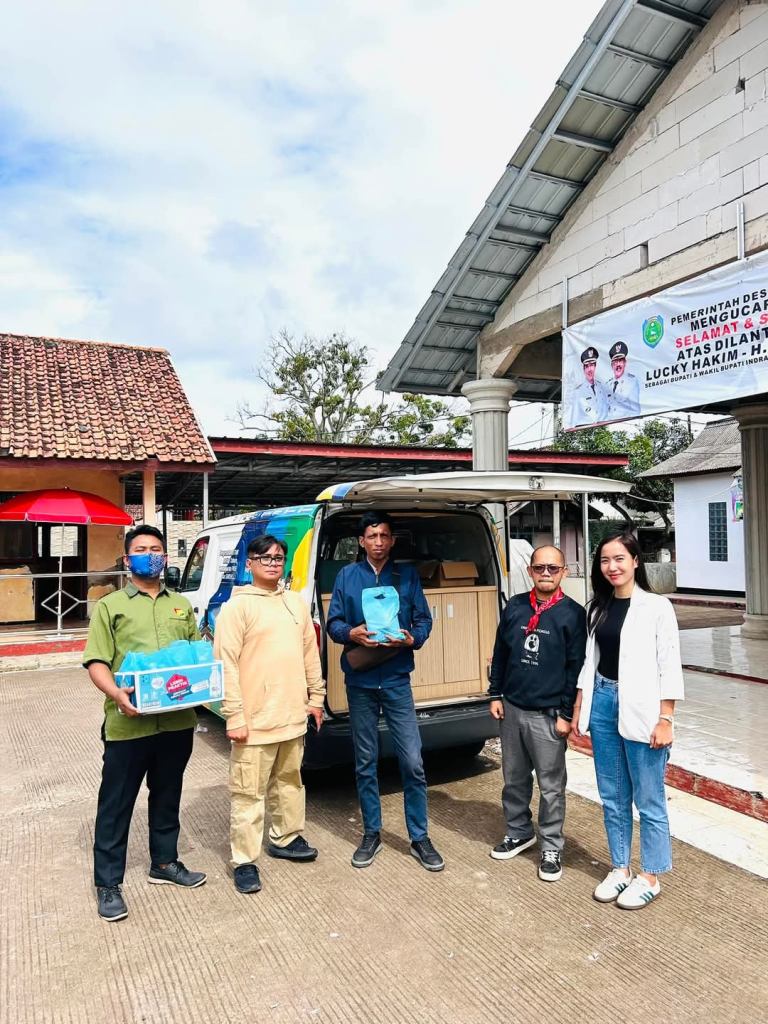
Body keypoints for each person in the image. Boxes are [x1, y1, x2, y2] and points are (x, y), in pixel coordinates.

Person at [84, 525, 207, 923]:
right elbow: (96, 661)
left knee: (168, 793)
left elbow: (195, 656)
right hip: (128, 724)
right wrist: (116, 694)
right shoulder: (111, 606)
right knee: (116, 803)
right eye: (141, 549)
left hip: (176, 722)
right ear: (128, 559)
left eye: (156, 549)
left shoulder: (181, 605)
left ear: (165, 557)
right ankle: (108, 883)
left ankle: (165, 862)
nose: (150, 555)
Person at [572, 531, 684, 910]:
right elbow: (589, 664)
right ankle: (620, 867)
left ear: (636, 561)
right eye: (605, 560)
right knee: (612, 794)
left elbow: (669, 665)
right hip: (603, 701)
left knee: (648, 798)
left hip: (643, 706)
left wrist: (666, 718)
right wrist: (580, 710)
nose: (612, 566)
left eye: (619, 558)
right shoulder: (597, 608)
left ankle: (650, 875)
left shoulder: (657, 607)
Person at [326, 511, 443, 872]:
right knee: (365, 761)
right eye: (372, 536)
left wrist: (413, 638)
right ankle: (371, 833)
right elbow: (333, 623)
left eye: (384, 536)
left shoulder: (406, 576)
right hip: (360, 681)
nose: (378, 542)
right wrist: (351, 634)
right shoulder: (347, 576)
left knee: (412, 761)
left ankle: (419, 837)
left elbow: (423, 620)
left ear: (392, 540)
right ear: (361, 541)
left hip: (396, 679)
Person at [214, 534, 325, 895]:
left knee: (290, 782)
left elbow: (310, 654)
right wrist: (234, 716)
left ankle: (286, 837)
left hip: (292, 715)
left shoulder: (295, 603)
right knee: (248, 793)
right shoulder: (237, 608)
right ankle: (244, 860)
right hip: (254, 722)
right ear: (249, 564)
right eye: (265, 557)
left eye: (279, 557)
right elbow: (226, 665)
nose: (273, 563)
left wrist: (317, 697)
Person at [488, 546, 586, 882]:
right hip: (512, 708)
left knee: (551, 787)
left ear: (564, 572)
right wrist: (495, 693)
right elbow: (501, 652)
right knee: (514, 778)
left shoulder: (573, 614)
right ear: (530, 571)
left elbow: (575, 668)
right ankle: (519, 831)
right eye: (540, 567)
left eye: (553, 568)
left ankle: (551, 845)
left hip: (548, 715)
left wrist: (566, 714)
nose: (546, 573)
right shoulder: (516, 606)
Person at [567, 347, 609, 427]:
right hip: (584, 428)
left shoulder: (602, 387)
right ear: (583, 369)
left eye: (592, 365)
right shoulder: (578, 391)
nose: (589, 369)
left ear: (595, 367)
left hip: (604, 426)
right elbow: (573, 417)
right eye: (587, 366)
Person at [605, 341, 641, 418]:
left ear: (625, 363)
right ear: (612, 365)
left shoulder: (631, 381)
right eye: (615, 361)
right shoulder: (608, 384)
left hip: (625, 423)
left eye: (620, 361)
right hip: (609, 423)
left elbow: (635, 411)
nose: (618, 365)